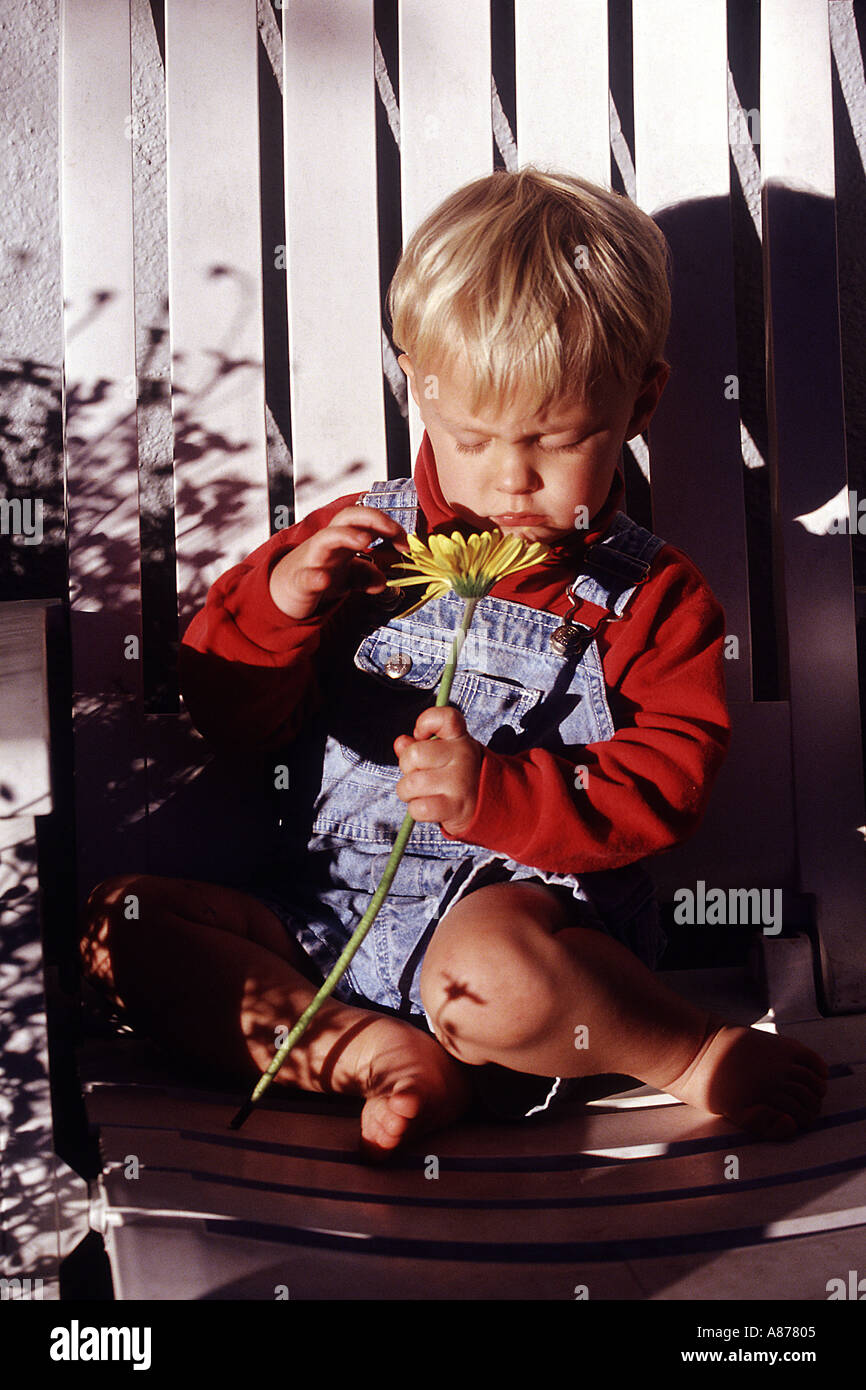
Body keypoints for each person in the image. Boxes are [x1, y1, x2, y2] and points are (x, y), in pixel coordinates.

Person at [79, 167, 827, 1161]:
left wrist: (496, 793)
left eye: (557, 441)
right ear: (417, 391)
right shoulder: (357, 546)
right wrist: (284, 604)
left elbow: (666, 783)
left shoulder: (649, 597)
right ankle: (367, 1055)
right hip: (318, 915)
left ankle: (685, 1054)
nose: (511, 479)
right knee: (118, 923)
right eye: (472, 438)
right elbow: (225, 710)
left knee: (496, 975)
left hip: (526, 924)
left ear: (638, 403)